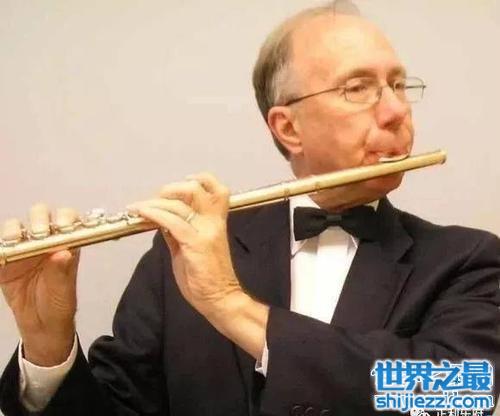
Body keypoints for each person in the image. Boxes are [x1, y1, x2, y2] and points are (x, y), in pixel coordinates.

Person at [1, 4, 499, 416]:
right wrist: (48, 347)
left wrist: (229, 304)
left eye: (398, 85)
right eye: (358, 88)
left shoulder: (467, 260)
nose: (395, 111)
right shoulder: (183, 252)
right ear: (288, 128)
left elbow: (458, 393)